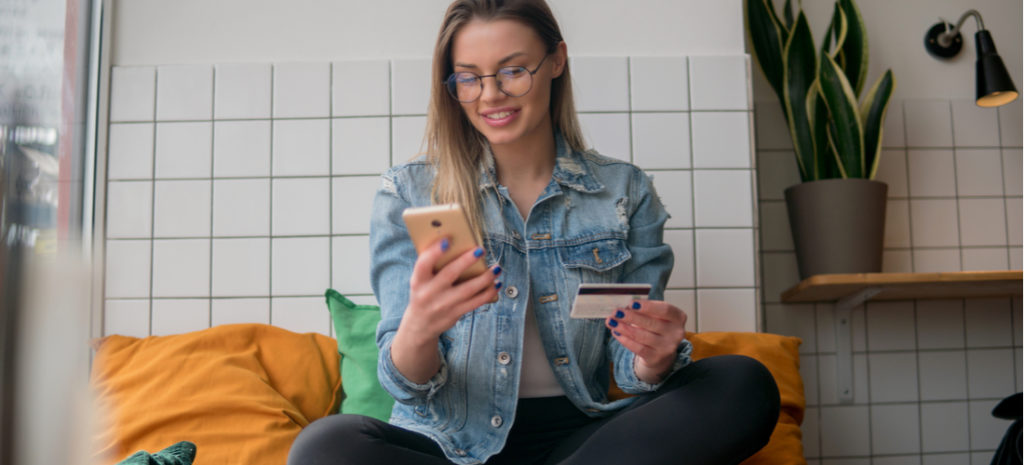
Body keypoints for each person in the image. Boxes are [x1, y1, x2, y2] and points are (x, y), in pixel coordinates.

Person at [288, 1, 780, 464]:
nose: (491, 95)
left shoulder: (622, 191)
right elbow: (407, 386)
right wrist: (419, 326)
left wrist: (654, 356)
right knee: (324, 447)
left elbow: (630, 373)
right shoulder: (410, 191)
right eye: (469, 78)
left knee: (743, 383)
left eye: (513, 71)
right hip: (446, 445)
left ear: (556, 60)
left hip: (579, 442)